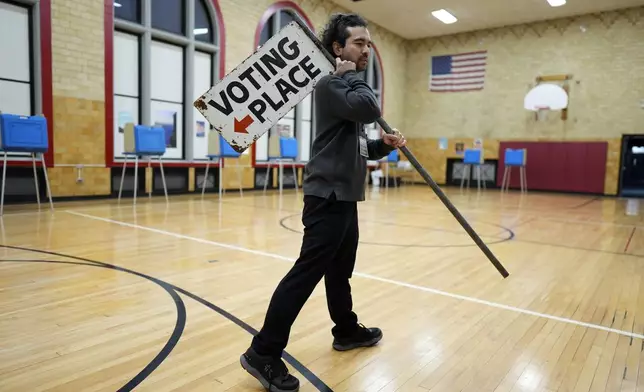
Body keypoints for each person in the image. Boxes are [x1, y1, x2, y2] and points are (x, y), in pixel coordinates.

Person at [240, 12, 407, 391]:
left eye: (368, 43)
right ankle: (263, 352)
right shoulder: (332, 84)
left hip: (344, 196)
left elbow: (359, 143)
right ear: (338, 48)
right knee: (305, 274)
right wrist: (349, 74)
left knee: (339, 270)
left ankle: (346, 330)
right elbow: (370, 108)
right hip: (327, 196)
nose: (366, 49)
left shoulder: (345, 88)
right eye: (358, 43)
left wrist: (385, 144)